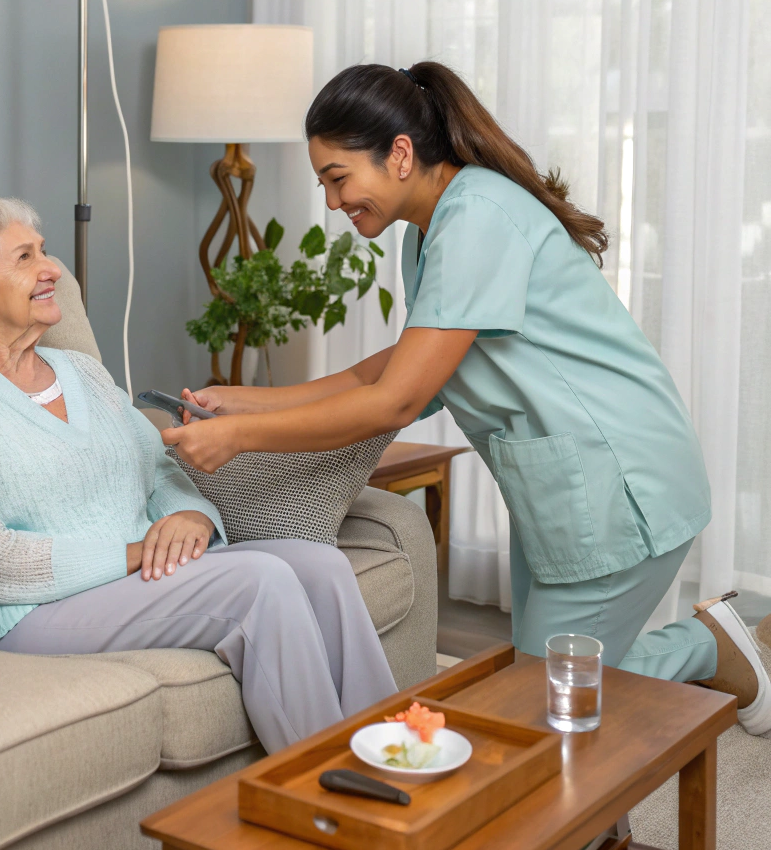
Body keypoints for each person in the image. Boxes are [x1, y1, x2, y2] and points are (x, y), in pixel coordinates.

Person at [167, 62, 771, 736]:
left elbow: (396, 402)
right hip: (565, 488)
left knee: (549, 705)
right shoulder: (426, 235)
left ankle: (705, 651)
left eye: (338, 179)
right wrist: (250, 402)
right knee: (544, 687)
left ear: (399, 153)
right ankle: (692, 675)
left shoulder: (478, 216)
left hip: (618, 482)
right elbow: (398, 373)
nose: (332, 203)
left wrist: (241, 438)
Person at [0, 197, 396, 754]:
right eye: (25, 257)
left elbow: (156, 470)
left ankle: (391, 756)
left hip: (137, 579)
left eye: (45, 251)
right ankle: (330, 790)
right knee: (261, 582)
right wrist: (134, 552)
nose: (53, 269)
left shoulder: (81, 371)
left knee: (321, 566)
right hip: (35, 612)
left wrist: (193, 516)